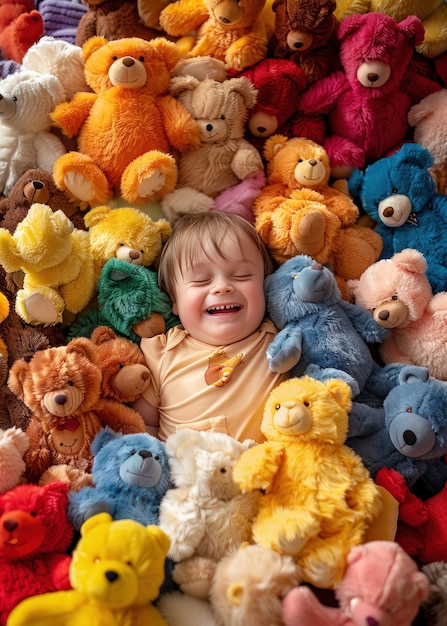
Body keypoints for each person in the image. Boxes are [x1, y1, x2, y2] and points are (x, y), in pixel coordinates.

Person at [133, 211, 289, 443]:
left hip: (267, 470)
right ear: (173, 300)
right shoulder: (163, 353)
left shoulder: (278, 339)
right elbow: (142, 424)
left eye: (242, 275)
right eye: (201, 280)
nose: (222, 287)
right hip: (188, 475)